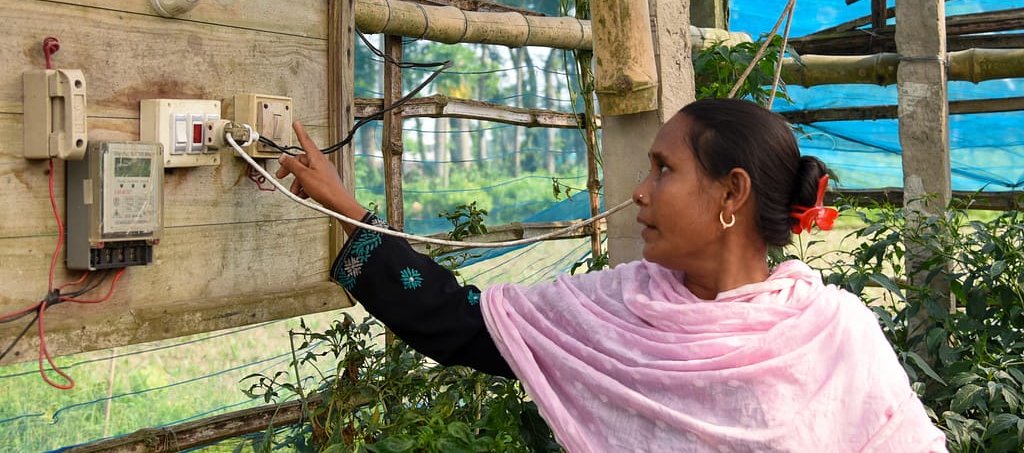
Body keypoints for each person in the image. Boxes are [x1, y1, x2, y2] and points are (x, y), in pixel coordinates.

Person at [277, 97, 947, 452]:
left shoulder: (836, 335)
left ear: (731, 193)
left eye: (665, 168)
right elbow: (464, 322)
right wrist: (351, 212)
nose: (641, 191)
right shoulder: (617, 307)